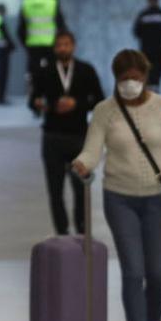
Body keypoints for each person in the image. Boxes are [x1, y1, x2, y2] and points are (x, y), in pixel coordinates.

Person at [73, 50, 161, 321]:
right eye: (124, 79)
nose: (130, 84)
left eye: (135, 78)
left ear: (145, 77)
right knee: (133, 271)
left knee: (158, 274)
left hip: (157, 198)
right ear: (115, 79)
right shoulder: (105, 111)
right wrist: (83, 163)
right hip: (119, 196)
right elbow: (93, 148)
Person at [30, 31, 104, 237]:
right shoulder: (43, 72)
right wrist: (41, 105)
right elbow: (33, 100)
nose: (63, 48)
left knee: (81, 188)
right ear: (55, 48)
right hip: (52, 136)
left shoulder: (85, 70)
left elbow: (99, 100)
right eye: (59, 45)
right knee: (55, 189)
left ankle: (82, 230)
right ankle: (61, 231)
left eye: (67, 44)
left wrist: (77, 104)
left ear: (73, 46)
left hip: (79, 137)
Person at [18, 0, 68, 117]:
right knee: (52, 73)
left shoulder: (26, 2)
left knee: (35, 76)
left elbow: (21, 28)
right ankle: (52, 102)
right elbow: (61, 25)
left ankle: (35, 105)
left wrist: (26, 44)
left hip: (33, 45)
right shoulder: (52, 2)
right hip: (51, 45)